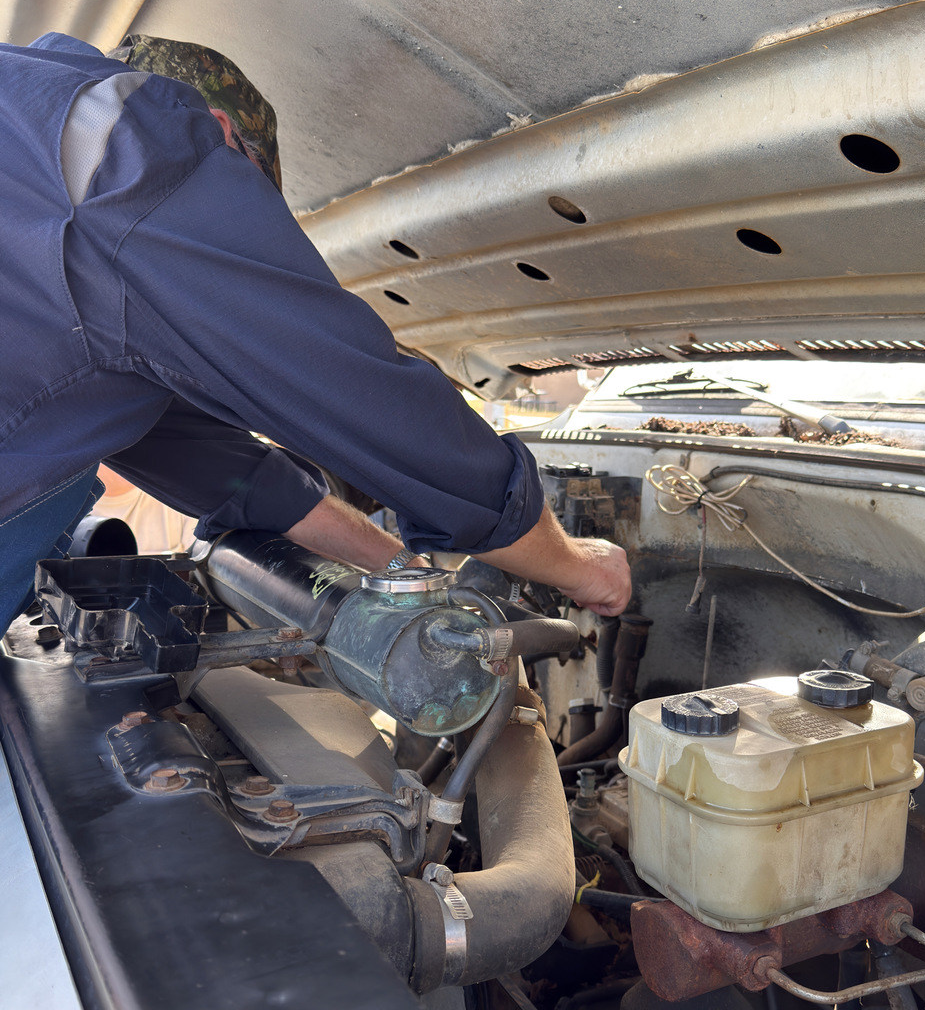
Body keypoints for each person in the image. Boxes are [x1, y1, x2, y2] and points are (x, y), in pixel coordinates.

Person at [0, 32, 631, 634]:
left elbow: (213, 464)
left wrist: (398, 569)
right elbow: (367, 400)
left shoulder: (36, 137)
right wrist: (575, 566)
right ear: (222, 135)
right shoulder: (151, 160)